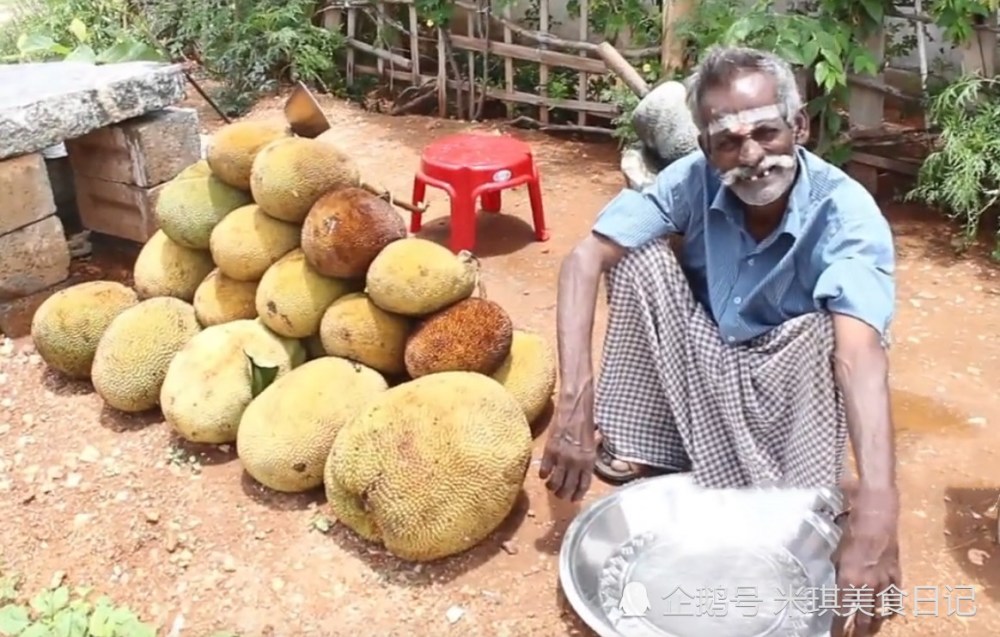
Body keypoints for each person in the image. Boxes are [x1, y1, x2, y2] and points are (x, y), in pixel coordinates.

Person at [539, 45, 900, 635]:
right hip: (705, 358)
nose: (752, 155)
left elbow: (860, 356)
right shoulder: (691, 180)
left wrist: (880, 510)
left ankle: (782, 486)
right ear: (707, 148)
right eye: (729, 142)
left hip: (789, 386)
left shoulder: (846, 215)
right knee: (638, 259)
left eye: (767, 132)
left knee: (823, 329)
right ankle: (656, 448)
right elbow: (582, 261)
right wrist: (574, 407)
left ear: (799, 127)